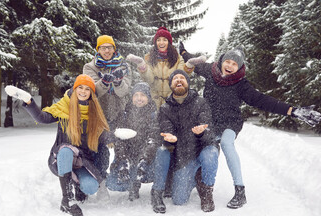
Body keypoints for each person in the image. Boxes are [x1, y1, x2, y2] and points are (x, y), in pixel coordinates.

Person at [181, 44, 321, 209]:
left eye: (235, 64)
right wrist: (182, 51)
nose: (230, 66)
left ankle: (240, 191)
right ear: (222, 61)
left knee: (226, 143)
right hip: (209, 122)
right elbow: (191, 60)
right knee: (205, 151)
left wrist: (293, 111)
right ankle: (194, 182)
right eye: (228, 62)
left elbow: (263, 100)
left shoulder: (241, 85)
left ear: (240, 67)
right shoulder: (210, 72)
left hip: (230, 123)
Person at [5, 74, 112, 216]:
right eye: (80, 87)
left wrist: (117, 136)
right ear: (74, 89)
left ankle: (78, 186)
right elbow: (41, 118)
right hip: (61, 159)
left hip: (82, 162)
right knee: (66, 149)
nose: (83, 91)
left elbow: (104, 138)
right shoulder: (64, 107)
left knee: (91, 187)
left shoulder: (95, 113)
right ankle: (67, 200)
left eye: (87, 89)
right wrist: (29, 101)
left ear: (91, 93)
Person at [151, 69, 220, 214]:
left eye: (182, 77)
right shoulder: (165, 108)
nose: (179, 80)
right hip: (184, 156)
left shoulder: (200, 102)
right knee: (179, 200)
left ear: (187, 83)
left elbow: (208, 129)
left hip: (203, 148)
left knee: (211, 154)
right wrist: (171, 140)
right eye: (175, 78)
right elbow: (166, 129)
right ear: (171, 85)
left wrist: (202, 132)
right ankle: (196, 176)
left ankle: (207, 192)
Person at [83, 35, 132, 198]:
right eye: (103, 48)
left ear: (114, 49)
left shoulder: (124, 66)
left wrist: (118, 82)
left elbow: (125, 91)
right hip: (99, 115)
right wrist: (104, 82)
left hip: (120, 113)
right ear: (98, 50)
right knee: (100, 149)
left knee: (122, 147)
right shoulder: (89, 67)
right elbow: (92, 90)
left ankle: (124, 179)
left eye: (109, 47)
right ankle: (101, 182)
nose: (106, 51)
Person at [105, 82, 161, 201]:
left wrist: (144, 160)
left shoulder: (154, 115)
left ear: (148, 97)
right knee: (113, 183)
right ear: (132, 97)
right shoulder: (124, 114)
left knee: (155, 170)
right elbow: (119, 140)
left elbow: (153, 140)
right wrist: (124, 161)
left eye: (143, 95)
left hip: (147, 158)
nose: (139, 98)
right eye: (136, 95)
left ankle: (141, 182)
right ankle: (131, 182)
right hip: (128, 155)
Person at [126, 27, 198, 109]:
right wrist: (142, 66)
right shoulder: (149, 57)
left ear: (169, 42)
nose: (161, 43)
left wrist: (188, 66)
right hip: (153, 101)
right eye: (158, 40)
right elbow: (149, 79)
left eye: (164, 40)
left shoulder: (177, 58)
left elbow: (180, 75)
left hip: (172, 101)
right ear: (155, 43)